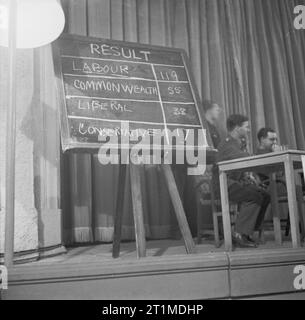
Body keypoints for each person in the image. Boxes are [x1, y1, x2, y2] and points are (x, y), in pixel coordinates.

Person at [217, 114, 271, 248]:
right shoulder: (227, 144)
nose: (248, 130)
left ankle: (247, 232)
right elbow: (243, 158)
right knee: (254, 196)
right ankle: (239, 233)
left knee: (265, 195)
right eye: (246, 127)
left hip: (232, 184)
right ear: (237, 128)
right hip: (223, 185)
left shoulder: (236, 143)